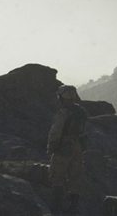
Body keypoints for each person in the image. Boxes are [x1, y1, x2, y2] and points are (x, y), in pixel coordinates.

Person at [47, 85, 88, 214]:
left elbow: (56, 131)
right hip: (77, 146)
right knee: (75, 177)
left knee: (57, 175)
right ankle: (73, 207)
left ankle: (56, 208)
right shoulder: (81, 112)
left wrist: (51, 146)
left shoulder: (64, 112)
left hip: (63, 146)